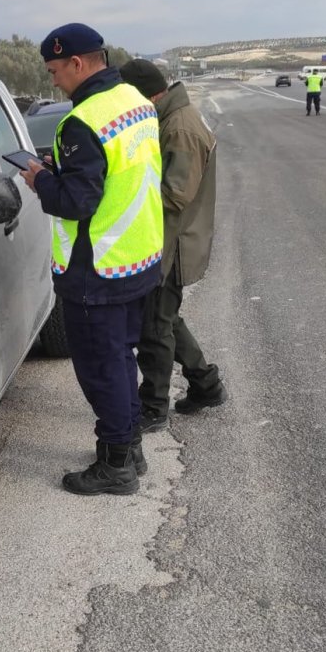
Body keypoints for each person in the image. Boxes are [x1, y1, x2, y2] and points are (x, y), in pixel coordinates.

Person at [20, 24, 163, 497]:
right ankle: (131, 446)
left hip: (96, 270)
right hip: (137, 258)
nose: (54, 82)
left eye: (55, 71)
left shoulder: (82, 121)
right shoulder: (136, 101)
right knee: (121, 360)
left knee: (102, 369)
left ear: (77, 64)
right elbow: (119, 176)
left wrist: (40, 179)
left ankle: (116, 465)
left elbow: (77, 202)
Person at [119, 59, 227, 429]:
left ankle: (153, 408)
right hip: (168, 242)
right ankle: (205, 383)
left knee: (155, 329)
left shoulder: (179, 128)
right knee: (166, 320)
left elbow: (175, 195)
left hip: (173, 248)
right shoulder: (169, 119)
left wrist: (121, 192)